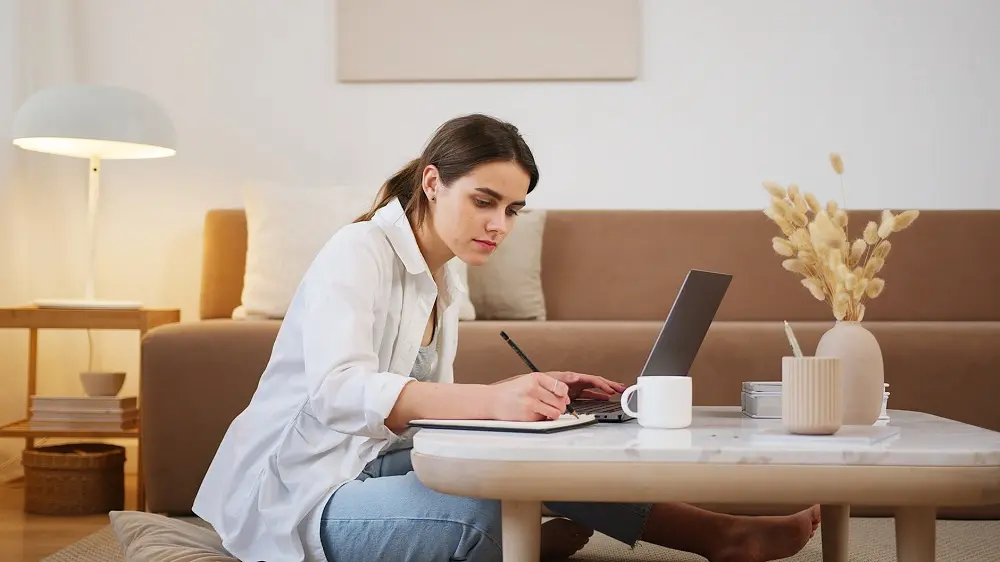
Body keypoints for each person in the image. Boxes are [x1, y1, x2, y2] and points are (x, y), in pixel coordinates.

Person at [192, 113, 821, 562]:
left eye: (512, 210)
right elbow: (337, 392)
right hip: (297, 494)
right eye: (484, 201)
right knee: (488, 512)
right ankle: (523, 544)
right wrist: (494, 402)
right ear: (433, 182)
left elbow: (419, 409)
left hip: (366, 463)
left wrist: (529, 398)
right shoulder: (357, 251)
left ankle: (720, 535)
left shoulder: (445, 272)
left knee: (541, 454)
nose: (499, 225)